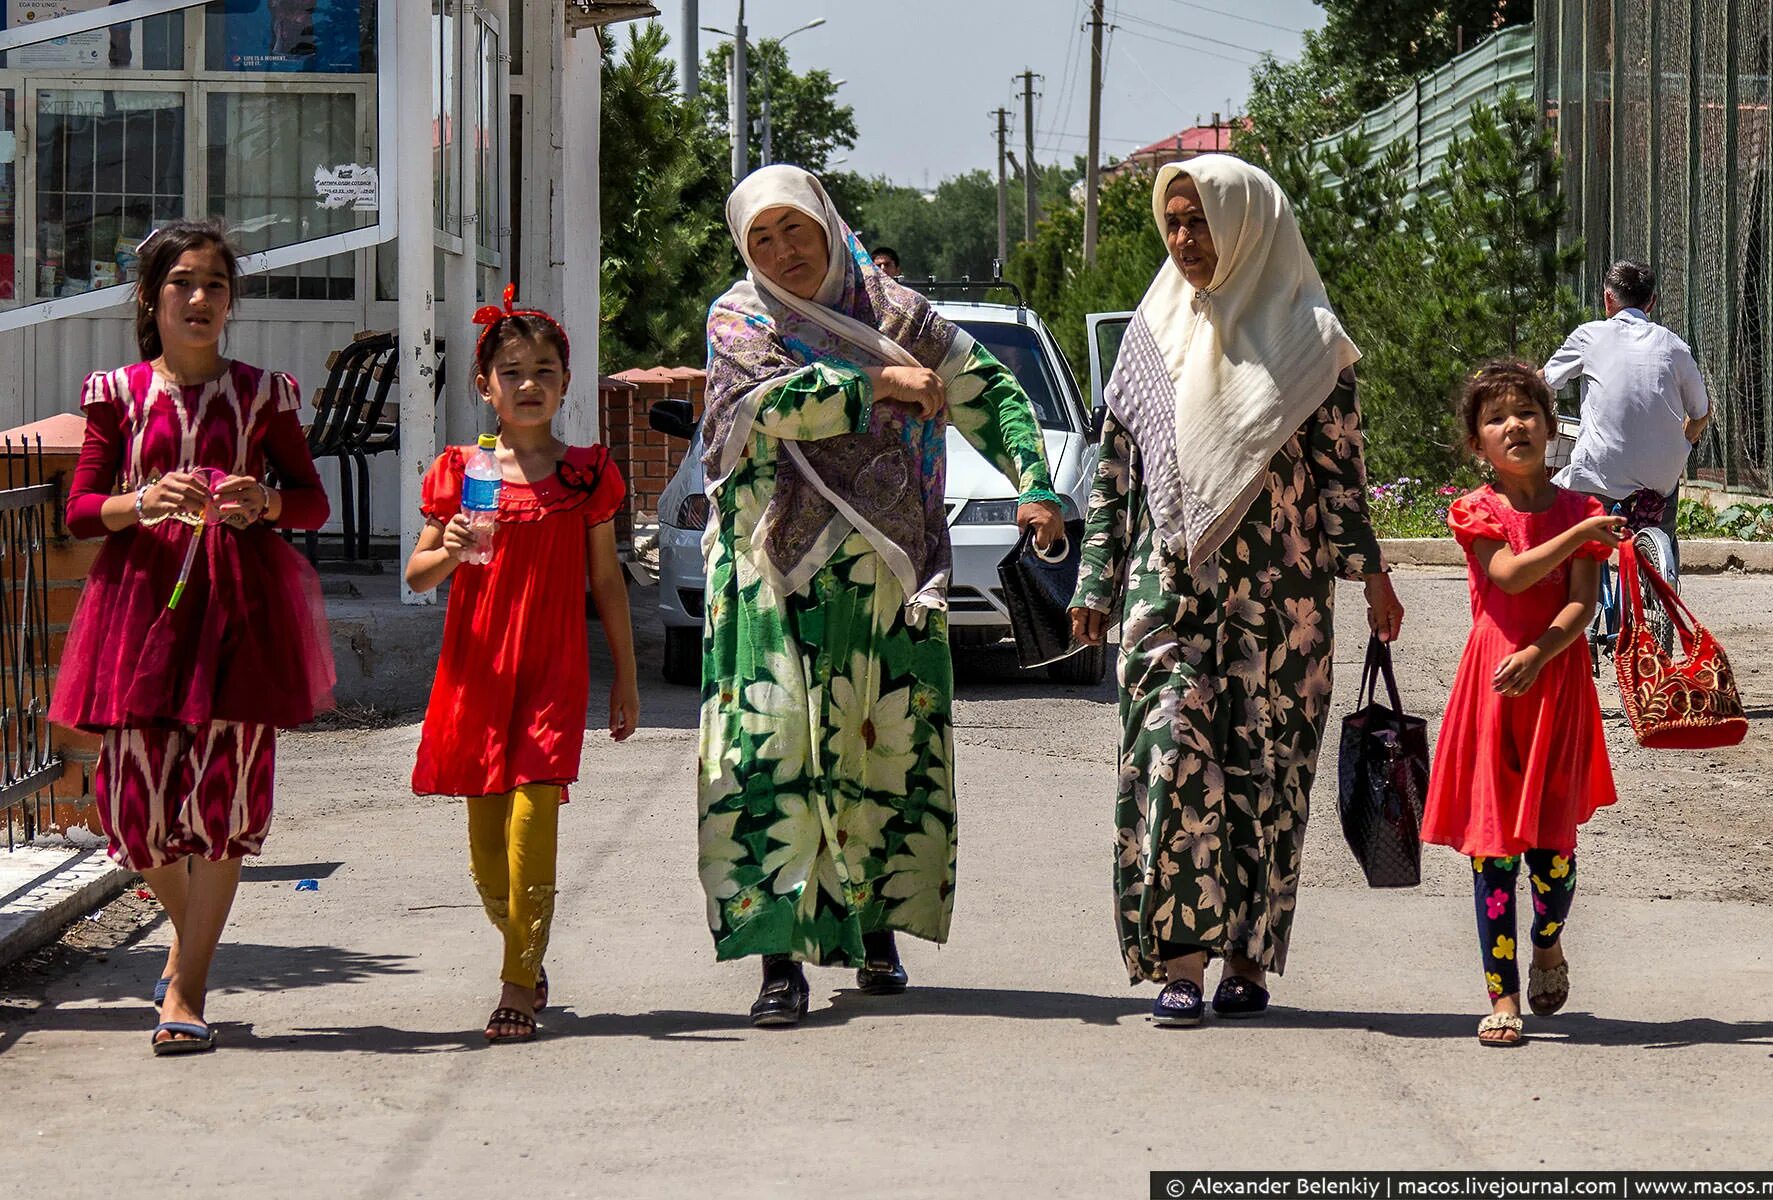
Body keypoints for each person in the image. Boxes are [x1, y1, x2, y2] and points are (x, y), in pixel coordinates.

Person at [698, 164, 1064, 1027]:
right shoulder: (741, 316)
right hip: (767, 573)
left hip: (886, 574)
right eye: (762, 238)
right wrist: (880, 385)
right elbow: (769, 405)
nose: (782, 251)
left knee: (882, 750)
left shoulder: (897, 314)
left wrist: (1035, 478)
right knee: (765, 755)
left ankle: (876, 932)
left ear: (828, 224)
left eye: (796, 230)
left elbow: (987, 389)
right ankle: (776, 959)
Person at [1068, 154, 1404, 1027]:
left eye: (1202, 221)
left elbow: (1341, 479)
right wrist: (1096, 581)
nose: (1185, 240)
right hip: (1167, 591)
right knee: (1172, 759)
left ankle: (1248, 961)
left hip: (1282, 605)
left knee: (1268, 775)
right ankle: (1180, 961)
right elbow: (1114, 477)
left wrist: (1372, 579)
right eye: (1173, 223)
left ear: (1248, 223)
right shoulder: (1150, 334)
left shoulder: (1311, 339)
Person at [50, 220, 335, 1055]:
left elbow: (310, 499)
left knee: (223, 809)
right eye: (183, 282)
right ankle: (192, 941)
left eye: (215, 283)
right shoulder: (118, 395)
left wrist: (267, 504)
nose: (201, 297)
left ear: (230, 301)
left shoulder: (261, 395)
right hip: (138, 613)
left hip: (239, 615)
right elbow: (78, 512)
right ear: (151, 298)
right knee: (130, 815)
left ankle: (187, 986)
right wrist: (143, 501)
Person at [405, 286, 637, 1045]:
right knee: (486, 852)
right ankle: (524, 952)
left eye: (544, 369)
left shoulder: (585, 476)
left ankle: (514, 985)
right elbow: (417, 576)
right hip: (476, 673)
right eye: (511, 371)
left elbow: (605, 581)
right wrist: (456, 545)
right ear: (485, 385)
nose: (528, 383)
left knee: (533, 821)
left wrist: (627, 679)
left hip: (551, 672)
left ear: (567, 382)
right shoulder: (461, 470)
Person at [1421, 360, 1624, 1048]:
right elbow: (1507, 576)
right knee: (1494, 854)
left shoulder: (1582, 509)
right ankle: (1502, 997)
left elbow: (1581, 603)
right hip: (1493, 691)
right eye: (1497, 417)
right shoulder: (1478, 512)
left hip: (1554, 686)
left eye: (1528, 412)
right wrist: (1578, 537)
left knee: (1554, 856)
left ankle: (1548, 944)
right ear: (1478, 443)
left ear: (1551, 425)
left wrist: (1541, 654)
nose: (1516, 425)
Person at [1542, 260, 1711, 562]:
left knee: (1574, 523)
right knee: (1665, 516)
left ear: (1608, 298)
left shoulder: (1589, 336)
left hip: (1601, 470)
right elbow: (1701, 412)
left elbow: (1547, 379)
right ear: (1652, 302)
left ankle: (1585, 586)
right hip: (1661, 472)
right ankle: (1660, 575)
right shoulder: (1675, 346)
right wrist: (1684, 442)